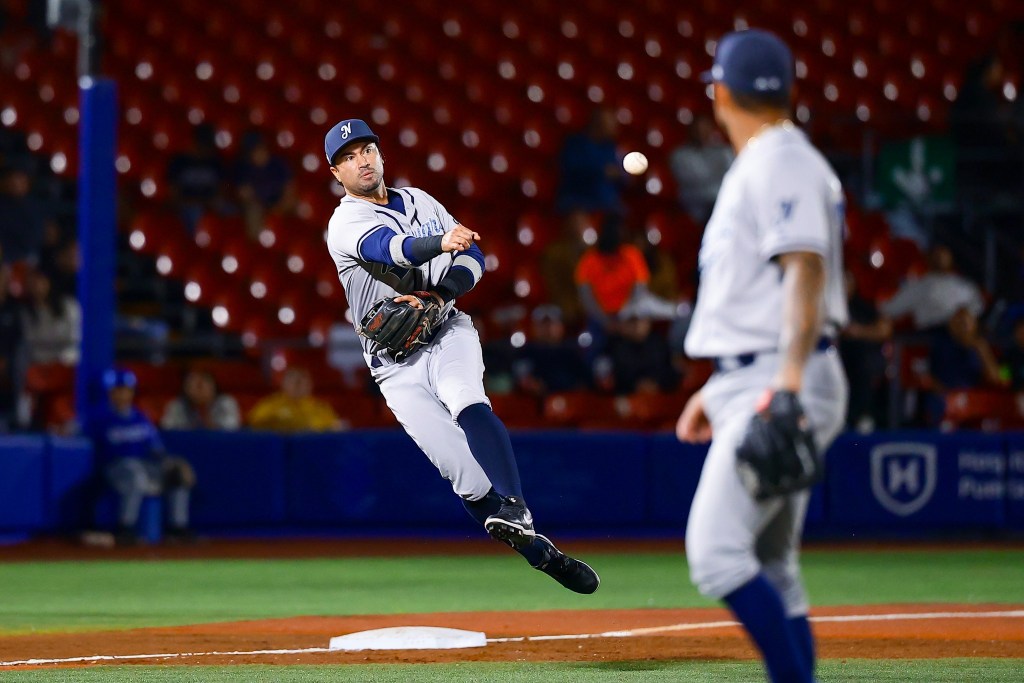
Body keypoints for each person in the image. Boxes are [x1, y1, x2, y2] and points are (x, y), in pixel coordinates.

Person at [321, 117, 599, 594]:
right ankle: (541, 554)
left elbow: (474, 257)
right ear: (336, 173)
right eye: (347, 157)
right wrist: (438, 244)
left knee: (466, 397)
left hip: (446, 329)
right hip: (393, 365)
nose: (360, 160)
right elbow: (393, 250)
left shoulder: (421, 201)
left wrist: (440, 292)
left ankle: (517, 505)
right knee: (464, 476)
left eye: (366, 149)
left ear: (381, 154)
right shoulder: (345, 221)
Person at [675, 30, 848, 682]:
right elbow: (761, 290)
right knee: (775, 564)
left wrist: (787, 384)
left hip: (778, 374)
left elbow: (803, 268)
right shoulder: (773, 158)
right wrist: (716, 386)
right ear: (791, 92)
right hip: (756, 371)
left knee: (716, 553)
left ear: (719, 94)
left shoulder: (778, 157)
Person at [84, 369, 196, 545]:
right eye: (118, 390)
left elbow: (156, 448)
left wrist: (171, 463)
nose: (123, 394)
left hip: (144, 465)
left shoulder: (140, 417)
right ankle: (125, 528)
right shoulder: (98, 418)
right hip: (114, 468)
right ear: (109, 392)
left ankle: (177, 528)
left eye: (126, 390)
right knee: (135, 475)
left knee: (176, 474)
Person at [879, 244, 985, 331]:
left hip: (962, 335)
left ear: (951, 258)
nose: (940, 258)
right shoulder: (920, 286)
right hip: (931, 338)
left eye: (943, 254)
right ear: (928, 258)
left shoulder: (964, 285)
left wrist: (962, 317)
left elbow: (978, 306)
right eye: (937, 255)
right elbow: (891, 309)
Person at [555, 107, 624, 215]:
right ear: (598, 123)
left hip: (608, 207)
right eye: (610, 122)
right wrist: (601, 171)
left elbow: (622, 175)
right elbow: (573, 169)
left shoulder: (611, 148)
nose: (615, 126)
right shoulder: (575, 143)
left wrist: (621, 174)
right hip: (579, 202)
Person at [669, 114, 735, 226]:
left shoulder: (724, 151)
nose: (704, 131)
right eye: (700, 128)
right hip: (698, 208)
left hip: (725, 202)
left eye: (707, 127)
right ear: (693, 131)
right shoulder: (681, 156)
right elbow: (693, 187)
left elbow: (735, 173)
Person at [513, 304, 590, 396]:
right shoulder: (526, 352)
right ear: (534, 327)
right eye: (542, 324)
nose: (547, 328)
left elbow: (585, 382)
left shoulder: (571, 352)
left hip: (569, 402)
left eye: (551, 323)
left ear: (561, 326)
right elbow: (519, 381)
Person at [234, 130, 297, 238]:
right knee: (253, 211)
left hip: (279, 204)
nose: (259, 153)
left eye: (261, 148)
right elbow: (243, 195)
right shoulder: (244, 169)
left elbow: (290, 190)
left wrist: (278, 209)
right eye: (254, 151)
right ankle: (256, 248)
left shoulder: (278, 164)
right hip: (259, 206)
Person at [247, 366, 343, 432]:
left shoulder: (320, 407)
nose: (299, 386)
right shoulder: (271, 404)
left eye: (303, 382)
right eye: (295, 382)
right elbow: (255, 422)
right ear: (283, 383)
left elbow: (334, 426)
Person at [20, 268, 81, 365]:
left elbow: (76, 338)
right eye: (32, 284)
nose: (36, 287)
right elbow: (32, 344)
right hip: (41, 367)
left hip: (69, 364)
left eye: (40, 282)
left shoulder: (69, 306)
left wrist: (62, 360)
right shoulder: (27, 312)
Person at [161, 368, 241, 430]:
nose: (200, 390)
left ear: (214, 386)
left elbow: (232, 428)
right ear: (185, 388)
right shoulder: (176, 406)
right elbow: (167, 429)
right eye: (194, 385)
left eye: (203, 385)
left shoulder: (226, 402)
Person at [0, 262, 23, 432]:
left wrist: (5, 360)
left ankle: (12, 419)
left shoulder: (14, 308)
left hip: (9, 365)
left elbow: (18, 340)